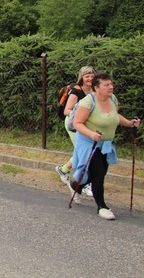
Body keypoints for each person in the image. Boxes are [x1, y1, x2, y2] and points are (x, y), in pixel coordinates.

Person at [70, 72, 142, 220]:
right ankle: (102, 207)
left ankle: (76, 185)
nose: (111, 87)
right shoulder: (87, 102)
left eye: (111, 84)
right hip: (88, 143)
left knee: (99, 173)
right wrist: (91, 134)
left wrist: (130, 123)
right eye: (106, 85)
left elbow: (114, 116)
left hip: (105, 144)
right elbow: (77, 123)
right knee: (98, 174)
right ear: (96, 88)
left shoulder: (113, 99)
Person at [55, 66, 95, 199]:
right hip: (73, 124)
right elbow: (67, 110)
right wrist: (82, 114)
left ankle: (64, 170)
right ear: (81, 78)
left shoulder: (95, 90)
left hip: (86, 124)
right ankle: (85, 182)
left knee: (83, 151)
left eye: (92, 75)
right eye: (87, 76)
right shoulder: (76, 91)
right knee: (85, 151)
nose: (90, 78)